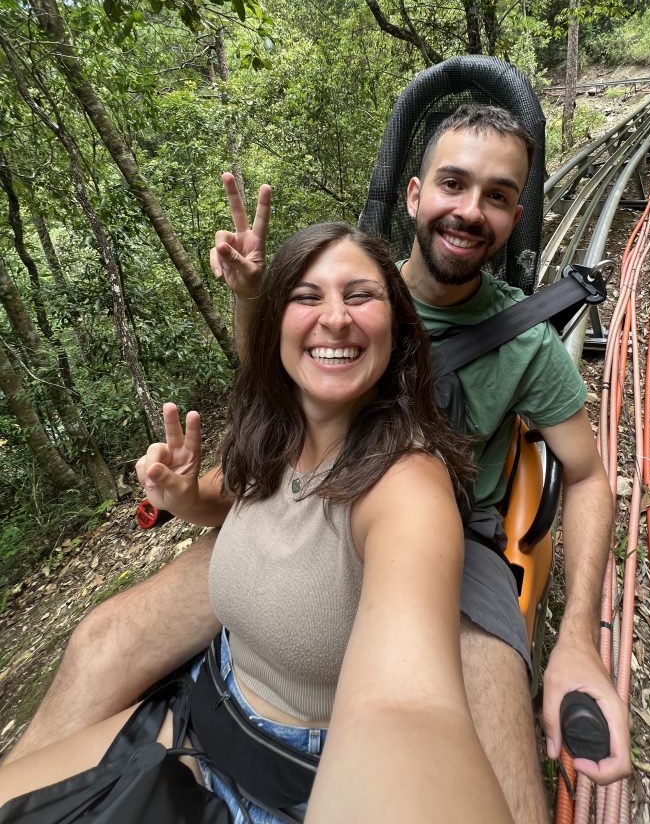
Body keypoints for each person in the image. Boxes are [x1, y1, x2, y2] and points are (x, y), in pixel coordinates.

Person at [5, 106, 631, 820]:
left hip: (451, 527)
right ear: (415, 194)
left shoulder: (527, 346)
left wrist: (576, 637)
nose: (469, 210)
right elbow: (284, 388)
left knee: (500, 754)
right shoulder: (350, 280)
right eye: (453, 184)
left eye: (495, 195)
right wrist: (250, 297)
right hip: (299, 482)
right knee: (101, 641)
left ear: (516, 213)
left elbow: (584, 477)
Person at [0, 223, 515, 824]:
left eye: (359, 295)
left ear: (399, 329)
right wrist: (180, 497)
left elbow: (409, 709)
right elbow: (225, 502)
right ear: (277, 327)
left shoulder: (407, 483)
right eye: (306, 296)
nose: (335, 318)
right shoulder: (277, 435)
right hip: (198, 706)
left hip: (283, 779)